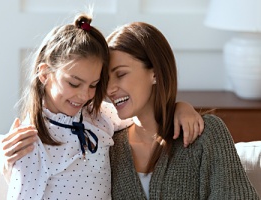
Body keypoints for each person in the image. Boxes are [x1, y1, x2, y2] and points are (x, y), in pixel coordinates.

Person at [0, 14, 204, 200]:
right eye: (74, 83)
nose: (84, 95)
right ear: (44, 74)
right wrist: (6, 164)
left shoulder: (98, 116)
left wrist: (180, 107)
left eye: (94, 85)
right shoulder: (31, 141)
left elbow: (143, 116)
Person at [106, 22, 260, 199]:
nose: (109, 89)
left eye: (121, 74)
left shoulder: (206, 134)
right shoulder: (108, 145)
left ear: (155, 73)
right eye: (105, 79)